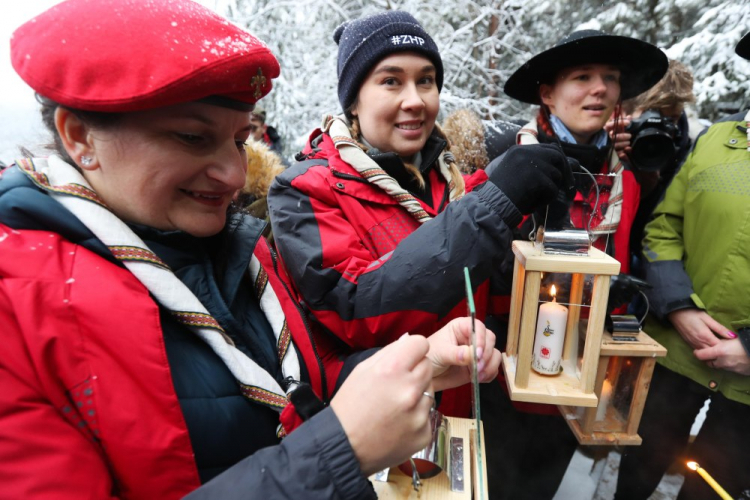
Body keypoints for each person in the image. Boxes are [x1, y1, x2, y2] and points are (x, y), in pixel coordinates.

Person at [0, 1, 502, 498]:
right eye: (193, 137)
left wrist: (418, 363)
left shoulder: (234, 248)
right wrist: (337, 453)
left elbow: (300, 378)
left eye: (240, 141)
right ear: (80, 136)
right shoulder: (16, 314)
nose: (236, 176)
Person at [267, 10, 569, 418]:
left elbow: (485, 295)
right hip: (381, 430)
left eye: (425, 80)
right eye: (391, 81)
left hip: (461, 418)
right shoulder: (305, 189)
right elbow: (355, 308)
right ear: (353, 100)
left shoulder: (459, 185)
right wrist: (496, 205)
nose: (415, 100)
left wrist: (568, 283)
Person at [477, 30, 668, 500]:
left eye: (610, 78)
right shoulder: (503, 158)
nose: (600, 89)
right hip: (503, 370)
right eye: (582, 77)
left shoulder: (626, 182)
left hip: (578, 378)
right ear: (547, 93)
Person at [614, 32, 750, 500]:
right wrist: (678, 308)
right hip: (675, 355)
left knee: (713, 490)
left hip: (746, 394)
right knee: (634, 477)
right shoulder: (716, 141)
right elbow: (663, 228)